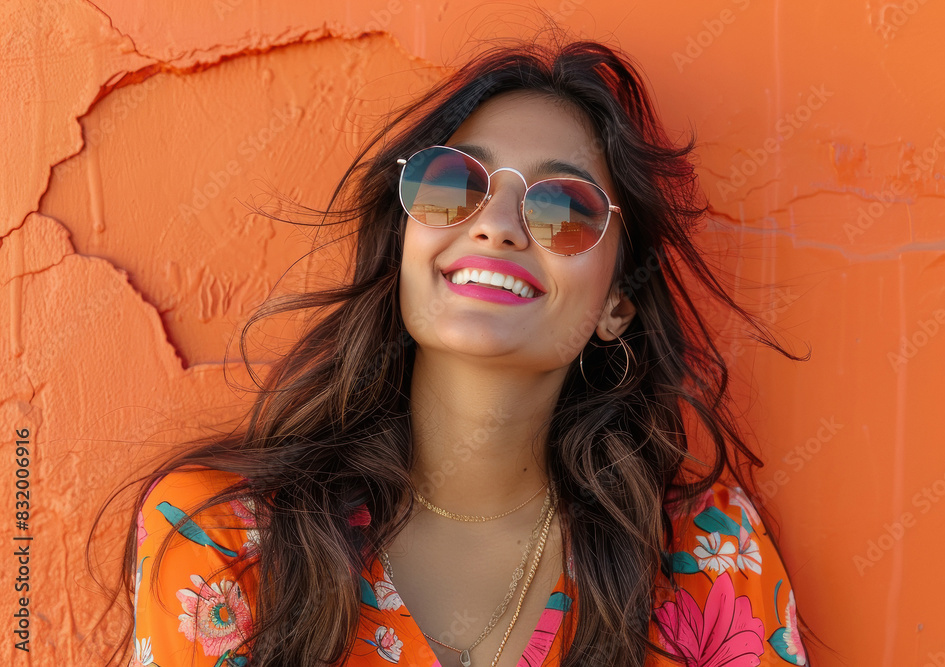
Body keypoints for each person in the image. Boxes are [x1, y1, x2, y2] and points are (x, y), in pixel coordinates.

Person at [108, 36, 814, 667]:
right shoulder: (227, 542)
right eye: (454, 185)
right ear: (405, 245)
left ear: (615, 304)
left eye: (564, 207)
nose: (498, 225)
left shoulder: (704, 555)